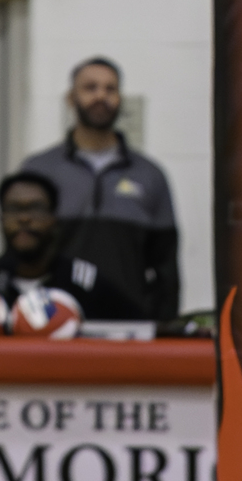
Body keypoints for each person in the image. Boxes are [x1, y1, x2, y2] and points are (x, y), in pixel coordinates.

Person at [19, 56, 181, 320]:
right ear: (71, 98)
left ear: (120, 99)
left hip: (129, 323)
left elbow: (166, 266)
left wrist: (163, 324)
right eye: (90, 88)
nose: (101, 96)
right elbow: (23, 253)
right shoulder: (38, 170)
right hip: (52, 321)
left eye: (110, 89)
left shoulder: (150, 175)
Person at [0, 172, 146, 322]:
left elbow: (139, 331)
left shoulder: (87, 283)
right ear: (1, 220)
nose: (24, 218)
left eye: (36, 209)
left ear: (54, 221)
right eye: (14, 210)